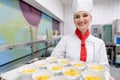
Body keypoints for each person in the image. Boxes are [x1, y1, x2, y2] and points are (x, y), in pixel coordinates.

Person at [51, 0, 115, 80]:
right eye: (77, 17)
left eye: (85, 15)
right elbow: (53, 61)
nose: (81, 20)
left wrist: (107, 77)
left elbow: (104, 68)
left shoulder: (99, 43)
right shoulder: (65, 40)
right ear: (74, 21)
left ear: (90, 18)